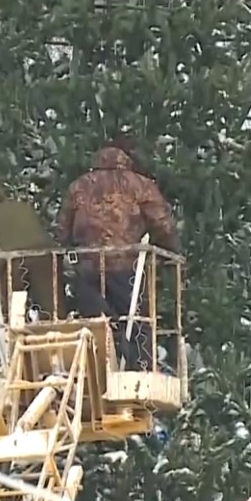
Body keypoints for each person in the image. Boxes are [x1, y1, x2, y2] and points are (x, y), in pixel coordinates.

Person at [57, 139, 179, 370]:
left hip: (89, 266)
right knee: (137, 318)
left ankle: (99, 369)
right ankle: (140, 368)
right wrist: (170, 253)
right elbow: (162, 224)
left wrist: (67, 255)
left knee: (95, 322)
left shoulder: (79, 186)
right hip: (126, 263)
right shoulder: (138, 184)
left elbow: (62, 228)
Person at [0, 179, 64, 319]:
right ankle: (57, 331)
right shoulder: (22, 207)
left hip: (13, 262)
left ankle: (18, 334)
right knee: (52, 303)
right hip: (45, 255)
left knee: (13, 306)